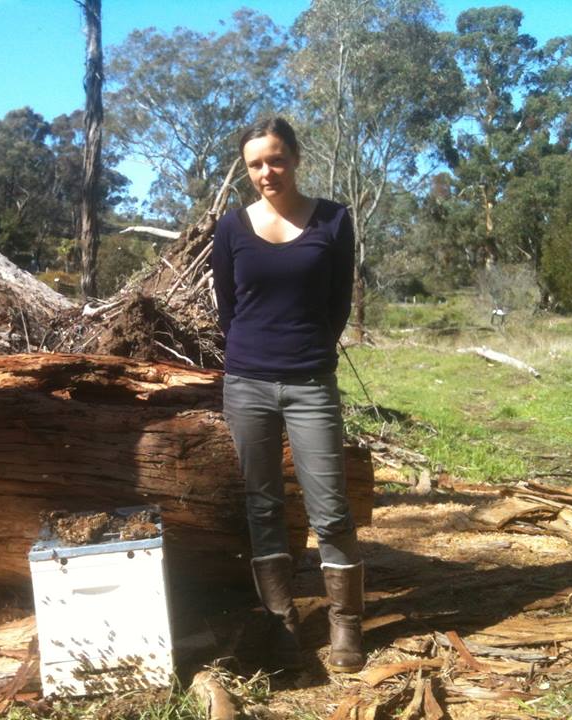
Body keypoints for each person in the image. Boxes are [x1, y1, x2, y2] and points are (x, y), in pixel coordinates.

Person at [211, 117, 364, 673]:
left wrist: (305, 349)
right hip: (246, 382)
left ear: (296, 157)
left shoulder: (334, 220)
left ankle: (346, 623)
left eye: (275, 159)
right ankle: (280, 620)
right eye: (255, 164)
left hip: (310, 382)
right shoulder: (231, 227)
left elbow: (337, 303)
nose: (266, 173)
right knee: (263, 505)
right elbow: (230, 308)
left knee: (331, 508)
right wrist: (256, 353)